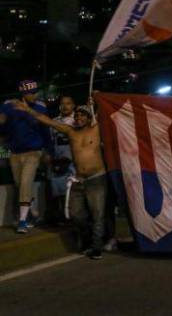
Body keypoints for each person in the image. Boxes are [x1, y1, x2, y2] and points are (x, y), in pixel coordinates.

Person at [12, 101, 107, 259]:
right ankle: (87, 241)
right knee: (76, 215)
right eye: (77, 115)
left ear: (89, 118)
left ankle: (96, 247)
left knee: (98, 215)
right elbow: (47, 121)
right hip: (78, 179)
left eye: (82, 115)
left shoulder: (96, 129)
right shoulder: (70, 132)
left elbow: (104, 113)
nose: (78, 117)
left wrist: (97, 99)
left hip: (96, 178)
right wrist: (28, 110)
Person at [0, 80, 51, 233]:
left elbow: (46, 131)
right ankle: (31, 212)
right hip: (15, 152)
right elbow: (2, 126)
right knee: (20, 185)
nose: (35, 95)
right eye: (31, 92)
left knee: (25, 182)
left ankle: (22, 221)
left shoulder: (41, 107)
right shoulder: (9, 105)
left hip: (33, 151)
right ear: (23, 94)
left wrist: (48, 151)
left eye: (35, 92)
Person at [49, 96, 76, 223]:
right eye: (62, 104)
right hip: (58, 162)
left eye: (68, 103)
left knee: (73, 192)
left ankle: (73, 218)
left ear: (73, 105)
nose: (65, 106)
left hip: (74, 162)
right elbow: (50, 141)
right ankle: (62, 218)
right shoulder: (54, 121)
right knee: (58, 191)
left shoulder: (78, 119)